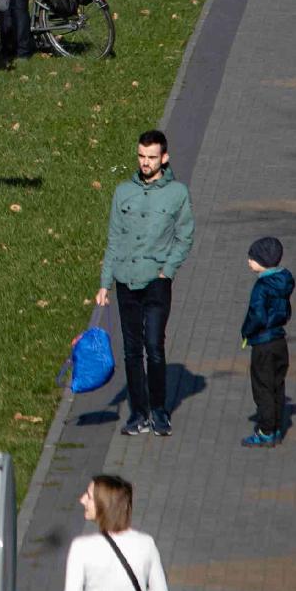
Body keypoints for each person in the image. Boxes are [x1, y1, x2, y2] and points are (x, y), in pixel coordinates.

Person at [95, 131, 195, 437]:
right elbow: (114, 238)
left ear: (164, 158)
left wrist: (167, 270)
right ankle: (138, 413)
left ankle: (159, 411)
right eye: (141, 156)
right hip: (126, 279)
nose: (146, 162)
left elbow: (185, 236)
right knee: (131, 350)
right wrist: (105, 283)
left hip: (155, 281)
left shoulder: (177, 193)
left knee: (154, 346)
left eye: (152, 157)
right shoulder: (123, 191)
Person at [240, 235, 293, 447]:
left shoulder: (261, 287)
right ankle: (277, 426)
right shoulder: (282, 283)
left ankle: (265, 430)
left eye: (252, 258)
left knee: (262, 387)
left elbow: (257, 315)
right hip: (279, 340)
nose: (248, 261)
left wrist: (246, 331)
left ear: (262, 261)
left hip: (263, 343)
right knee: (277, 385)